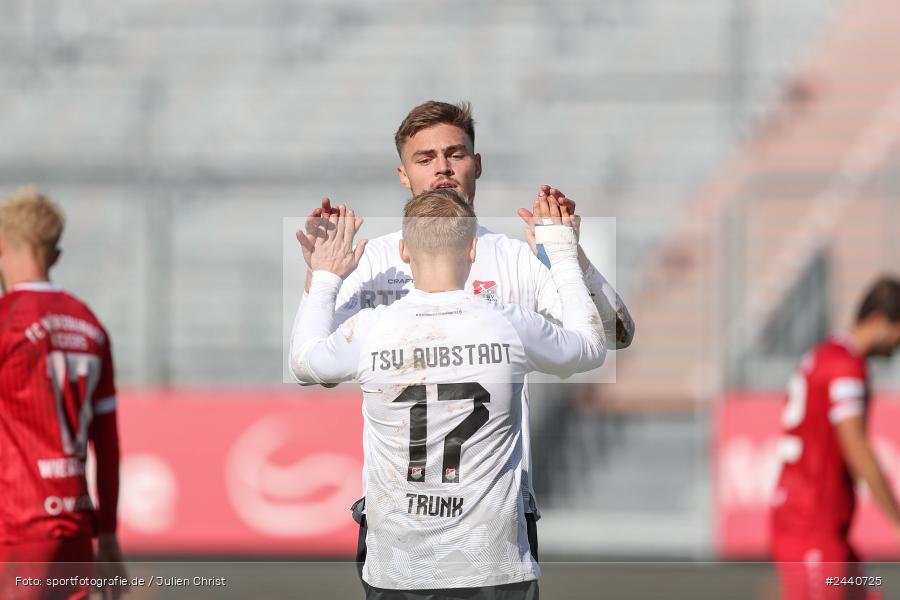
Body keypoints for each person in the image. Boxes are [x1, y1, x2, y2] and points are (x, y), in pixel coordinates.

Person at [292, 100, 635, 569]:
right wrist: (321, 277)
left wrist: (573, 257)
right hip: (400, 524)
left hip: (495, 523)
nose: (443, 169)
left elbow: (616, 335)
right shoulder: (371, 262)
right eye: (425, 158)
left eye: (456, 154)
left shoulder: (514, 257)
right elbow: (323, 370)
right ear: (403, 174)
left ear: (477, 164)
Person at [0, 188, 127, 600]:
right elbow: (107, 444)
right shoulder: (90, 325)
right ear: (55, 255)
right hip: (74, 527)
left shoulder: (7, 322)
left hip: (13, 525)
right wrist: (107, 535)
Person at [770, 277, 900, 600]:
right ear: (879, 321)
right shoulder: (845, 367)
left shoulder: (826, 354)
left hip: (824, 528)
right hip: (811, 528)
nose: (898, 344)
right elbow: (856, 449)